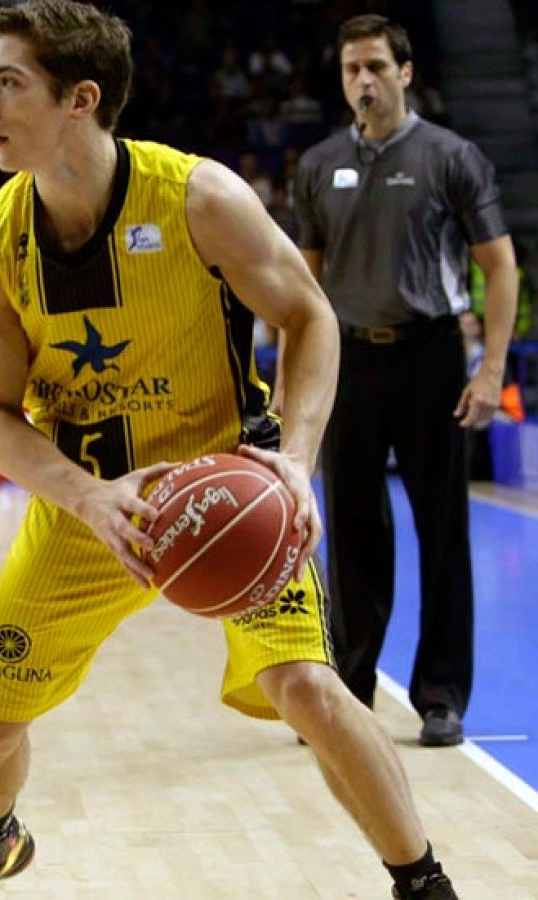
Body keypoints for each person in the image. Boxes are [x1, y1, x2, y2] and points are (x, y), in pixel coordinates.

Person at [0, 4, 457, 899]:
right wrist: (90, 498)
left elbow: (309, 316)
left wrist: (294, 457)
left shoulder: (197, 198)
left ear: (79, 100)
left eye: (6, 83)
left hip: (224, 490)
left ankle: (424, 882)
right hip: (91, 504)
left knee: (310, 691)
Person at [292, 14, 518, 750]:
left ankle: (442, 697)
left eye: (377, 67)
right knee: (352, 533)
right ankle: (349, 694)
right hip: (349, 360)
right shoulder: (319, 165)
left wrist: (490, 370)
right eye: (353, 68)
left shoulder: (453, 157)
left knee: (442, 532)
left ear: (406, 72)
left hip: (430, 357)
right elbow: (304, 285)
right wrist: (297, 386)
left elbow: (500, 266)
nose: (364, 80)